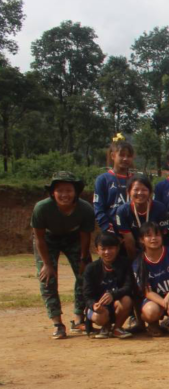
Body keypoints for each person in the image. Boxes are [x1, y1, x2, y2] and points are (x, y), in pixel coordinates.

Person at [33, 171, 96, 339]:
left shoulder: (85, 209)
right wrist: (47, 264)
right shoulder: (42, 208)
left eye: (69, 190)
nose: (64, 195)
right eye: (59, 190)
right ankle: (57, 323)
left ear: (75, 192)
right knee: (47, 278)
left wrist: (84, 259)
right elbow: (38, 237)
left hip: (73, 237)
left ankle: (79, 319)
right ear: (53, 192)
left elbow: (85, 235)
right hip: (47, 239)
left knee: (85, 275)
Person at [82, 232, 134, 339]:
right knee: (98, 317)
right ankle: (105, 327)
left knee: (127, 300)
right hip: (100, 307)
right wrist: (93, 305)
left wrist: (113, 295)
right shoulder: (91, 268)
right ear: (97, 250)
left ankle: (117, 328)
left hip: (116, 305)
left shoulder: (125, 264)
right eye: (103, 249)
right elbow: (87, 295)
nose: (107, 252)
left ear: (117, 248)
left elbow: (128, 286)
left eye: (111, 248)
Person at [114, 175, 169, 260]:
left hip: (156, 249)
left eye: (144, 190)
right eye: (136, 190)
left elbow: (161, 237)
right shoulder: (122, 211)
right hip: (133, 251)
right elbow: (129, 241)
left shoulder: (160, 209)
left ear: (150, 192)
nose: (140, 193)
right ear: (128, 192)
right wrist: (135, 262)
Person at [94, 136, 135, 232]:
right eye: (122, 155)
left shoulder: (136, 179)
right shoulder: (102, 179)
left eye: (129, 156)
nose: (125, 159)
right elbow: (98, 209)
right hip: (112, 231)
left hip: (133, 229)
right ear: (113, 156)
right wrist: (108, 229)